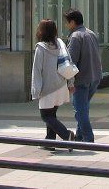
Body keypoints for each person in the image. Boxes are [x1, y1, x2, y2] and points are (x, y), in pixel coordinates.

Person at [31, 19, 76, 149]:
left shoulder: (40, 48)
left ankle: (67, 135)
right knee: (51, 114)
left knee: (46, 116)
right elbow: (68, 62)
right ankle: (50, 142)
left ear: (41, 31)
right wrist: (70, 82)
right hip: (61, 86)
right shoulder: (60, 44)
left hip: (47, 89)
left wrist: (36, 90)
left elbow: (37, 70)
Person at [65, 9, 102, 143]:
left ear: (72, 22)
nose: (66, 25)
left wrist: (69, 81)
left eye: (67, 22)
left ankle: (88, 138)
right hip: (95, 77)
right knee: (83, 108)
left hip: (81, 79)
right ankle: (79, 136)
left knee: (80, 111)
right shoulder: (91, 33)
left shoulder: (75, 36)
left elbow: (71, 61)